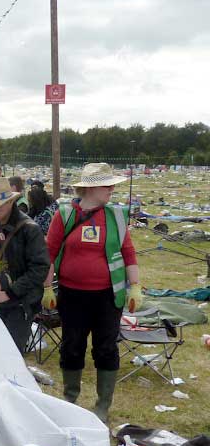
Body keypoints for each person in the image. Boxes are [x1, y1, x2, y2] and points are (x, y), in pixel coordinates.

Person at [42, 163, 142, 422]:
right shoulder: (64, 215)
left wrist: (136, 287)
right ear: (90, 188)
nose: (112, 189)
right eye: (107, 185)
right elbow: (49, 254)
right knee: (72, 346)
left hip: (108, 297)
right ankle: (70, 400)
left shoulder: (116, 216)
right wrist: (46, 288)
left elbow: (128, 252)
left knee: (106, 348)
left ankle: (102, 407)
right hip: (72, 295)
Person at [0, 177, 50, 352]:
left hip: (21, 303)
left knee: (11, 354)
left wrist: (9, 293)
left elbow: (39, 269)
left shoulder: (30, 229)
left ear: (10, 202)